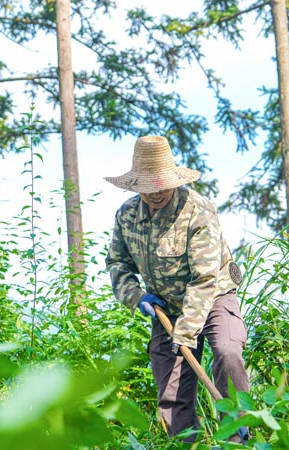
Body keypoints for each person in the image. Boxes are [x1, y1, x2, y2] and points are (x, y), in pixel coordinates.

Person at [104, 136, 250, 444]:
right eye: (148, 186)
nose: (156, 193)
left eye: (161, 185)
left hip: (214, 297)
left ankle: (238, 438)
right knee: (171, 393)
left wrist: (184, 333)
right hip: (166, 308)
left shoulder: (198, 211)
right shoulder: (127, 215)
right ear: (137, 184)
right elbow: (117, 263)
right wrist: (136, 297)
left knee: (227, 352)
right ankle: (186, 446)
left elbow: (204, 279)